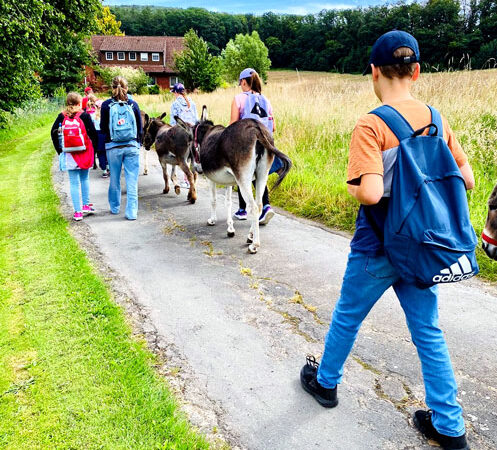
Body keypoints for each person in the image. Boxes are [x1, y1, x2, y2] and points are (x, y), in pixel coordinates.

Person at [299, 31, 475, 450]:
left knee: (348, 316)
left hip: (377, 244)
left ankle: (326, 384)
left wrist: (353, 187)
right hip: (424, 248)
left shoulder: (371, 124)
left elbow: (373, 193)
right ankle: (450, 429)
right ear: (416, 71)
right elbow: (466, 179)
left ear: (373, 73)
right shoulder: (437, 119)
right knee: (428, 331)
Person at [230, 68, 275, 225]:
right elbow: (273, 127)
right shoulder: (266, 100)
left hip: (246, 143)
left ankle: (243, 210)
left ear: (243, 82)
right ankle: (266, 206)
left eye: (240, 83)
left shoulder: (239, 99)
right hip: (266, 143)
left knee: (243, 174)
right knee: (260, 176)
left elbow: (233, 125)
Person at [100, 76, 143, 220]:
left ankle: (115, 207)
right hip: (131, 146)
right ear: (127, 88)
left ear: (111, 88)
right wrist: (138, 144)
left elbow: (103, 128)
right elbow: (140, 129)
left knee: (115, 179)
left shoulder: (106, 106)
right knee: (132, 180)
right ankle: (131, 213)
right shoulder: (133, 104)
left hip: (113, 147)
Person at [51, 92, 98, 221]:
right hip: (84, 151)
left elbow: (53, 132)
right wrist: (95, 150)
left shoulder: (62, 116)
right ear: (79, 103)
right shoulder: (84, 115)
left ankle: (77, 212)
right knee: (84, 179)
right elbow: (93, 134)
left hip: (70, 153)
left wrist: (60, 150)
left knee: (73, 182)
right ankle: (86, 205)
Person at [169, 83, 198, 188]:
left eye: (174, 93)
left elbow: (173, 121)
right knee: (191, 156)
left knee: (181, 158)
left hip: (181, 132)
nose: (174, 95)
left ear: (176, 92)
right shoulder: (192, 102)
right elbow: (196, 118)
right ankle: (192, 179)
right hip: (193, 131)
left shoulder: (175, 104)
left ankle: (185, 181)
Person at [92, 99, 109, 178]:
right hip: (106, 134)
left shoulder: (93, 116)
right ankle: (109, 166)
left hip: (98, 135)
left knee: (101, 153)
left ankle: (104, 170)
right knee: (108, 152)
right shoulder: (107, 115)